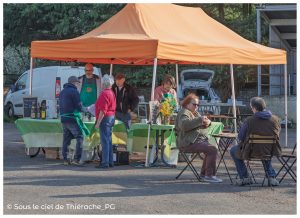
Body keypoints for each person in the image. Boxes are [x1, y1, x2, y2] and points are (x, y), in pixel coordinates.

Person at [230, 97, 282, 186]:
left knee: (233, 150)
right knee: (264, 149)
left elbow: (241, 137)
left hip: (250, 151)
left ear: (254, 108)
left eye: (251, 107)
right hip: (270, 150)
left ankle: (245, 177)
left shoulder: (249, 120)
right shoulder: (275, 119)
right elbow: (277, 134)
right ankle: (271, 177)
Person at [175, 93, 222, 183]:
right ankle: (209, 175)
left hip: (195, 141)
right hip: (186, 143)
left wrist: (208, 123)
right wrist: (201, 120)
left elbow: (201, 123)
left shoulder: (194, 113)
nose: (196, 106)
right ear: (187, 104)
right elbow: (184, 125)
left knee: (211, 148)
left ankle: (205, 174)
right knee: (212, 149)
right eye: (194, 104)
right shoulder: (184, 112)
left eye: (198, 105)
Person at [59, 76, 86, 166]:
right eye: (78, 83)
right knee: (80, 137)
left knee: (66, 139)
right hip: (71, 118)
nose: (78, 85)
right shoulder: (74, 91)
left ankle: (65, 159)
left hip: (63, 118)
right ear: (74, 83)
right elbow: (79, 106)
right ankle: (76, 160)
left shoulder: (62, 92)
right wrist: (87, 110)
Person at [95, 75, 116, 169]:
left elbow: (103, 110)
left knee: (105, 141)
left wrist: (98, 122)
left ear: (103, 83)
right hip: (111, 117)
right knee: (109, 140)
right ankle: (110, 161)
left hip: (106, 118)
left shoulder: (104, 94)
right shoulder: (111, 92)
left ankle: (105, 162)